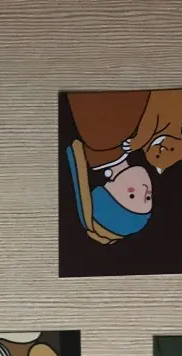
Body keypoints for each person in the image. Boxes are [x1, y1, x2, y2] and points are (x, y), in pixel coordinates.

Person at [64, 90, 157, 244]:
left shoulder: (102, 139)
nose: (145, 190)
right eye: (147, 198)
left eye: (132, 196)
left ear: (108, 188)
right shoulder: (121, 146)